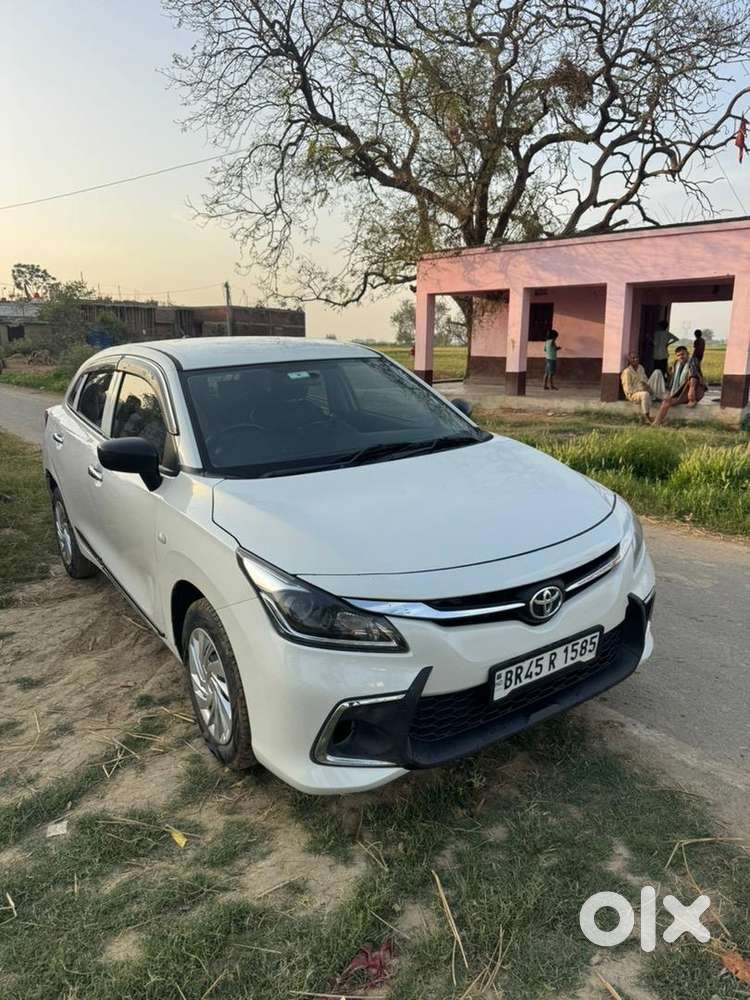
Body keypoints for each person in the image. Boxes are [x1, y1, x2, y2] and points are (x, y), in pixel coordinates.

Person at [652, 346, 705, 425]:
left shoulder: (692, 361)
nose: (681, 357)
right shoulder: (677, 363)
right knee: (664, 398)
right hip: (681, 391)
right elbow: (673, 380)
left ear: (687, 354)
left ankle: (656, 423)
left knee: (667, 401)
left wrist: (691, 395)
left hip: (692, 391)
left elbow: (693, 376)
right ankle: (657, 419)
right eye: (678, 355)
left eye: (682, 354)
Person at [620, 353, 666, 422]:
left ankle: (658, 396)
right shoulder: (627, 372)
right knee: (645, 394)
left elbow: (645, 380)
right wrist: (642, 389)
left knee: (657, 372)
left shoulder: (640, 367)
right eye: (633, 358)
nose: (635, 359)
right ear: (629, 360)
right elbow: (628, 390)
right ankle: (647, 417)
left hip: (645, 388)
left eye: (637, 358)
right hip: (634, 394)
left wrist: (648, 387)